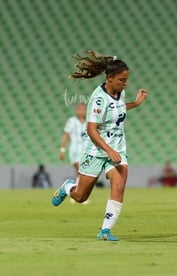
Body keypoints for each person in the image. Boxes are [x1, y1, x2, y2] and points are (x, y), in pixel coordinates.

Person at [52, 50, 148, 241]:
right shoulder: (98, 99)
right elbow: (91, 130)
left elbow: (116, 109)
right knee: (81, 197)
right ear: (110, 78)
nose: (125, 83)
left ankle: (105, 231)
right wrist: (108, 150)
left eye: (126, 79)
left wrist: (135, 104)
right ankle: (68, 187)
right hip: (95, 152)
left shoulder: (119, 92)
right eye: (122, 79)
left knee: (119, 185)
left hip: (118, 150)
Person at [59, 103, 87, 179]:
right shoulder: (71, 121)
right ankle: (78, 187)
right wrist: (62, 150)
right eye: (80, 109)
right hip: (75, 149)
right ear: (77, 110)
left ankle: (78, 187)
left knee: (84, 172)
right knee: (79, 169)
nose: (82, 111)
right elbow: (66, 136)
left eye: (83, 109)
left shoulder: (89, 122)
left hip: (86, 149)